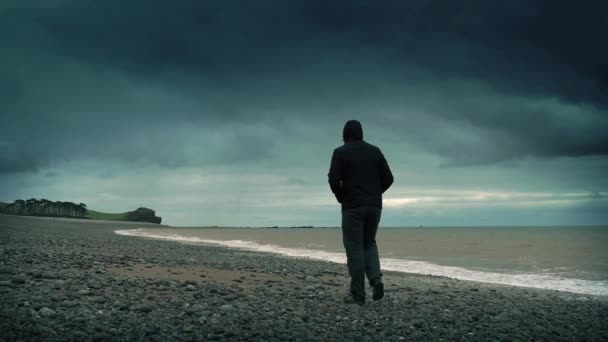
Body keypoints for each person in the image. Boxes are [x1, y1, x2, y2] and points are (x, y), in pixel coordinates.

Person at [328, 120, 394, 305]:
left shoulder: (340, 152)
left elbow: (333, 180)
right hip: (374, 207)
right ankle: (376, 280)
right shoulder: (375, 151)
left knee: (355, 248)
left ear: (345, 136)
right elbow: (389, 178)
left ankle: (358, 295)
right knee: (369, 243)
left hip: (353, 208)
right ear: (361, 134)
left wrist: (341, 197)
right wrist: (374, 194)